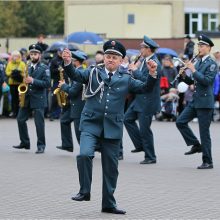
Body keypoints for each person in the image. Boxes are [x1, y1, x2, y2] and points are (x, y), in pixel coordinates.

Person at [62, 40, 158, 214]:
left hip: (112, 127)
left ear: (121, 60)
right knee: (84, 154)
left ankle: (108, 204)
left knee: (111, 168)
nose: (110, 60)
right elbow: (75, 75)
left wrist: (152, 74)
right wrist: (68, 63)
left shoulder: (126, 78)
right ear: (104, 58)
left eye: (114, 57)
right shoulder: (92, 72)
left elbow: (144, 88)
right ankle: (84, 191)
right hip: (91, 123)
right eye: (108, 56)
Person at [176, 34, 218, 169]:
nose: (200, 47)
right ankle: (195, 145)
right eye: (199, 45)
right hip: (196, 100)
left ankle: (208, 161)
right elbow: (193, 81)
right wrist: (183, 75)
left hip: (205, 102)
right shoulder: (199, 62)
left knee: (204, 133)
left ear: (209, 48)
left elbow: (206, 81)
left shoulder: (211, 64)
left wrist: (193, 70)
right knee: (180, 121)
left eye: (203, 45)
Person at [124, 35, 161, 164]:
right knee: (127, 119)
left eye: (142, 47)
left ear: (148, 49)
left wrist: (134, 70)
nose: (140, 49)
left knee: (145, 129)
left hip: (148, 101)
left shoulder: (154, 62)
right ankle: (140, 145)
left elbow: (147, 80)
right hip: (139, 99)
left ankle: (150, 156)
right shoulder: (144, 60)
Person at [13, 44, 50, 154]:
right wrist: (22, 91)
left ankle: (41, 145)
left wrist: (33, 80)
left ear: (40, 55)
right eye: (32, 54)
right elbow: (25, 81)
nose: (33, 56)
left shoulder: (45, 67)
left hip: (39, 98)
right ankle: (25, 142)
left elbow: (47, 84)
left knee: (39, 123)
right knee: (20, 119)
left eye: (35, 54)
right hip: (27, 97)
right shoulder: (27, 66)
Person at [56, 50, 86, 152]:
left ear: (76, 62)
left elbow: (73, 91)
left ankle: (90, 149)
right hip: (72, 104)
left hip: (78, 106)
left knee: (79, 131)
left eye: (72, 60)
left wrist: (64, 86)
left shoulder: (80, 73)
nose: (70, 61)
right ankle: (67, 144)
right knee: (64, 120)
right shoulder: (76, 71)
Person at [5, 50, 26, 118]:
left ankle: (20, 112)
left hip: (20, 83)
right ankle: (14, 112)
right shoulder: (9, 63)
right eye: (14, 56)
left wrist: (19, 73)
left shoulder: (22, 63)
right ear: (12, 56)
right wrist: (12, 73)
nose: (15, 57)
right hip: (12, 83)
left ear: (19, 56)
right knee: (13, 98)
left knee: (20, 98)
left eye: (17, 56)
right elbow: (7, 72)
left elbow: (25, 73)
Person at [49, 48, 64, 121]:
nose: (61, 53)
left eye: (62, 52)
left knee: (62, 98)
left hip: (63, 81)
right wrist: (58, 69)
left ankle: (58, 114)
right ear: (58, 52)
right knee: (54, 98)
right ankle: (51, 114)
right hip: (56, 81)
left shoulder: (64, 60)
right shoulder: (54, 60)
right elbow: (51, 71)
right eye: (60, 52)